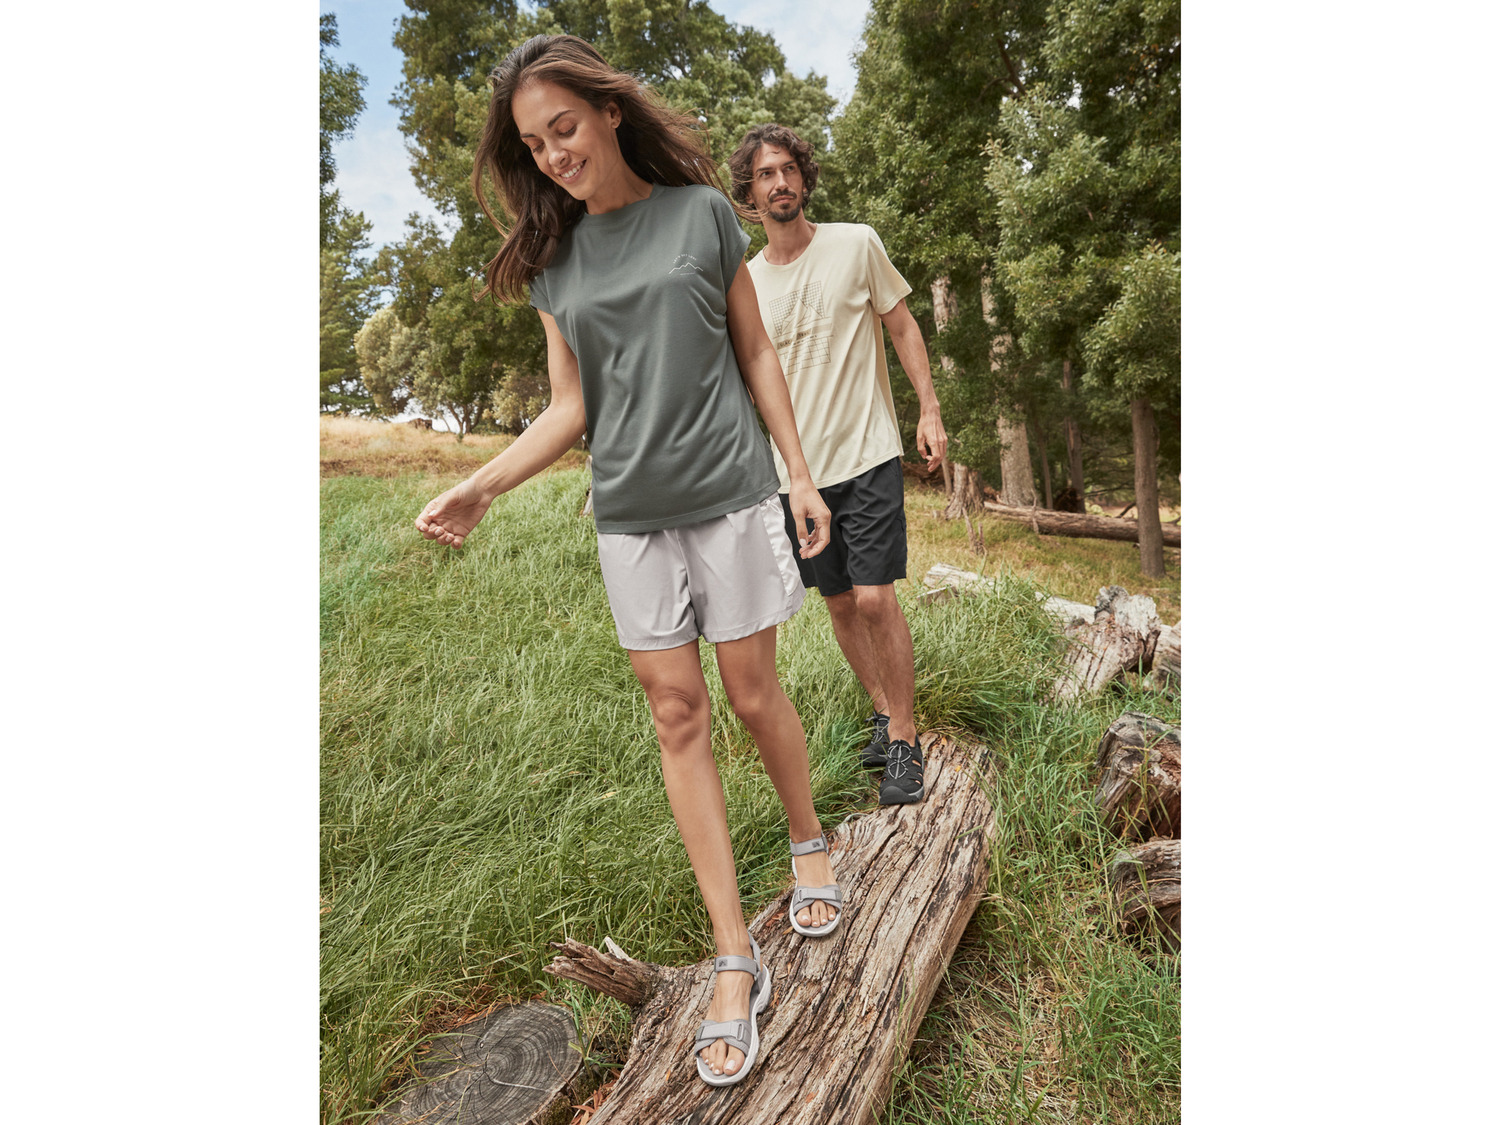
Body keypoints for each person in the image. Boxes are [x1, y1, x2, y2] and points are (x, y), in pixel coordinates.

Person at [413, 36, 844, 1088]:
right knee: (676, 716)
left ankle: (809, 841)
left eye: (563, 127)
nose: (553, 153)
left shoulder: (702, 214)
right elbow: (571, 406)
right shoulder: (555, 262)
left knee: (752, 694)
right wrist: (482, 485)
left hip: (732, 496)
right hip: (632, 521)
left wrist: (798, 473)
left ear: (609, 112)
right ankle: (735, 956)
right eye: (533, 144)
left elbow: (754, 350)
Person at [728, 124, 948, 807]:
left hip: (867, 452)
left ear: (804, 178)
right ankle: (883, 710)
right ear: (749, 194)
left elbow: (902, 325)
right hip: (796, 478)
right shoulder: (745, 281)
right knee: (842, 601)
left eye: (788, 170)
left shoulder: (856, 243)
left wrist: (929, 409)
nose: (780, 183)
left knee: (877, 597)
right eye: (765, 174)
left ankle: (906, 739)